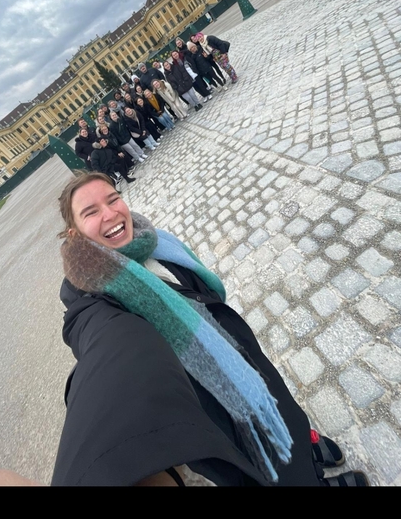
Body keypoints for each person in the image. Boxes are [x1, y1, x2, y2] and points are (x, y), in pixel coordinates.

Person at [49, 173, 369, 486]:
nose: (109, 214)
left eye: (112, 199)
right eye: (90, 212)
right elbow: (99, 340)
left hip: (235, 352)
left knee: (281, 408)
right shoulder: (91, 297)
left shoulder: (151, 241)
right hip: (210, 399)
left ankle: (306, 450)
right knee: (265, 458)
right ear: (74, 233)